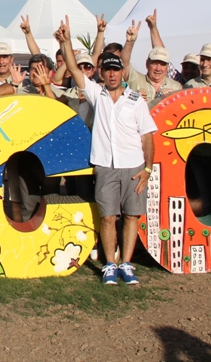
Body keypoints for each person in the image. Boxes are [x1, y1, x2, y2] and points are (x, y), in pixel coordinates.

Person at [58, 16, 155, 285]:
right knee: (109, 217)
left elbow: (147, 137)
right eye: (108, 70)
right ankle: (110, 264)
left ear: (123, 72)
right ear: (102, 73)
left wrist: (147, 169)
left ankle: (127, 263)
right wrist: (66, 42)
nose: (112, 74)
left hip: (134, 166)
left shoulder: (136, 101)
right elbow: (76, 72)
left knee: (132, 217)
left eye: (116, 70)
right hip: (105, 165)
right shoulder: (96, 94)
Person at [122, 16, 181, 106]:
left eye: (162, 64)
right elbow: (124, 63)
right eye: (154, 63)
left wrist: (172, 98)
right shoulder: (135, 79)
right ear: (147, 64)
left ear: (167, 67)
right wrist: (130, 42)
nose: (158, 68)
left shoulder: (176, 87)